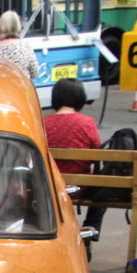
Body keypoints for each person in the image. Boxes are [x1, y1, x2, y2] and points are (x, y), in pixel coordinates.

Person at [44, 78, 101, 251]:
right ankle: (90, 229)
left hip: (49, 185)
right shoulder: (87, 123)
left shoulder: (43, 123)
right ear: (80, 97)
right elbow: (95, 153)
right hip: (80, 185)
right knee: (103, 190)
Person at [0, 10, 38, 79]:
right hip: (22, 87)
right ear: (18, 25)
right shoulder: (25, 46)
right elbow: (35, 72)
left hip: (2, 88)